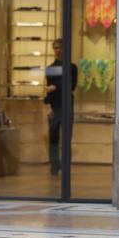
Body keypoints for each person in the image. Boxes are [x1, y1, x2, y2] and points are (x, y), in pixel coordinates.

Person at [44, 38, 78, 176]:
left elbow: (72, 86)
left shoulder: (72, 67)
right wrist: (49, 107)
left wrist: (56, 87)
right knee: (53, 137)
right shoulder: (50, 68)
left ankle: (65, 166)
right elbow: (48, 89)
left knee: (66, 138)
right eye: (56, 48)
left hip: (67, 106)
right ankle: (54, 166)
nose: (58, 51)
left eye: (60, 48)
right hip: (54, 106)